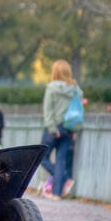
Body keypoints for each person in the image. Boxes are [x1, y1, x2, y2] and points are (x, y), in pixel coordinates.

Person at [41, 60, 83, 197]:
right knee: (60, 160)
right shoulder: (75, 89)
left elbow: (48, 110)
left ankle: (64, 179)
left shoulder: (52, 88)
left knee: (41, 157)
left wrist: (53, 128)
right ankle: (56, 194)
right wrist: (74, 129)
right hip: (68, 129)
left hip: (54, 128)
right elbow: (78, 109)